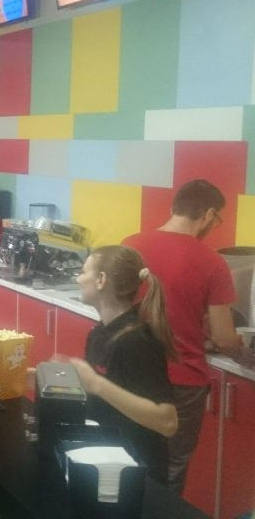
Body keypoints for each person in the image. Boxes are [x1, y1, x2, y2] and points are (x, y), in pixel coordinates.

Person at [122, 179, 239, 493]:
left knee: (127, 457)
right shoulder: (212, 261)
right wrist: (243, 351)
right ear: (208, 213)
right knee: (170, 470)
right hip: (182, 382)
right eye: (217, 220)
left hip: (132, 371)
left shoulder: (130, 245)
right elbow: (225, 338)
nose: (214, 226)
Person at [69, 245, 178, 483]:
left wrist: (96, 384)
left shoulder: (137, 341)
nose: (78, 279)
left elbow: (167, 421)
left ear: (101, 280)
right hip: (107, 461)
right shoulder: (99, 332)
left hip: (137, 472)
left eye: (83, 272)